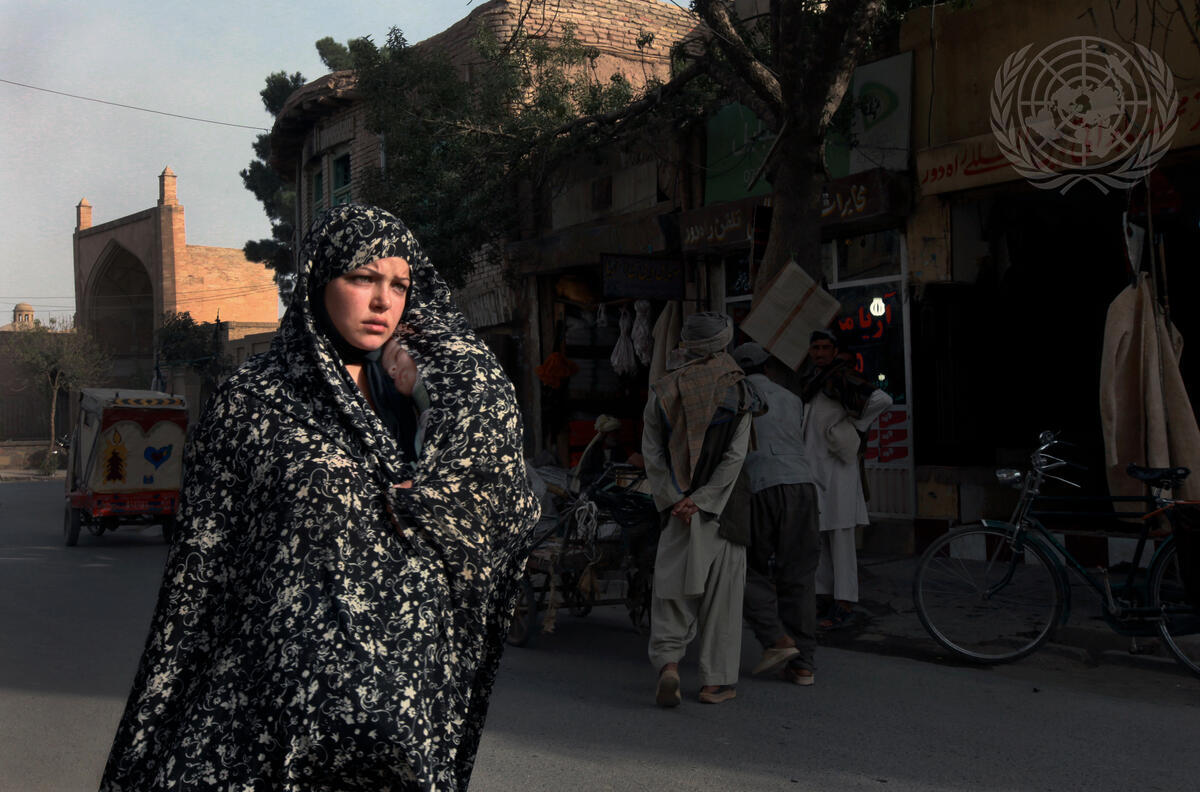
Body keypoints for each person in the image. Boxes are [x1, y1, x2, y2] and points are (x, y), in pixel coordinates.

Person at [100, 204, 540, 791]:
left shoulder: (427, 403)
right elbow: (202, 574)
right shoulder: (253, 404)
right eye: (363, 278)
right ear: (317, 281)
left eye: (399, 285)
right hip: (277, 717)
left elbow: (502, 505)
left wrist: (428, 418)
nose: (383, 300)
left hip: (406, 718)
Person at [641, 312, 759, 706]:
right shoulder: (739, 392)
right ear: (723, 345)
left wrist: (676, 498)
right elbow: (734, 458)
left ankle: (669, 666)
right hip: (721, 514)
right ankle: (714, 684)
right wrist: (703, 500)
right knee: (722, 603)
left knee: (671, 596)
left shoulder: (661, 392)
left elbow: (652, 455)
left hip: (676, 512)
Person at [732, 341, 821, 686]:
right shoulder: (792, 398)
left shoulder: (736, 398)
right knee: (799, 575)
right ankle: (804, 664)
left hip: (760, 487)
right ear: (768, 368)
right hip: (801, 485)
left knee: (745, 567)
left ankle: (776, 638)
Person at [797, 329, 893, 630]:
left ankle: (845, 601)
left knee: (840, 539)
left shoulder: (843, 377)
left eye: (826, 347)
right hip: (816, 469)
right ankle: (825, 595)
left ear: (835, 351)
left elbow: (883, 400)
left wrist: (852, 426)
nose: (820, 353)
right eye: (816, 347)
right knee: (820, 536)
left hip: (838, 470)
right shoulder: (815, 379)